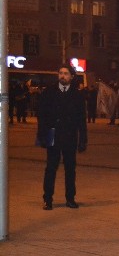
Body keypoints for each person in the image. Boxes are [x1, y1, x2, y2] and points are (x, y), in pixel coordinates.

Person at [37, 65, 88, 210]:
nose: (62, 76)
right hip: (52, 135)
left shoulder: (77, 95)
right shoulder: (49, 92)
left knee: (70, 169)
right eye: (60, 73)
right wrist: (42, 136)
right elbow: (42, 115)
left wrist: (83, 139)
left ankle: (70, 198)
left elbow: (81, 119)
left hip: (69, 136)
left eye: (66, 73)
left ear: (71, 76)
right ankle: (48, 199)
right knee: (51, 168)